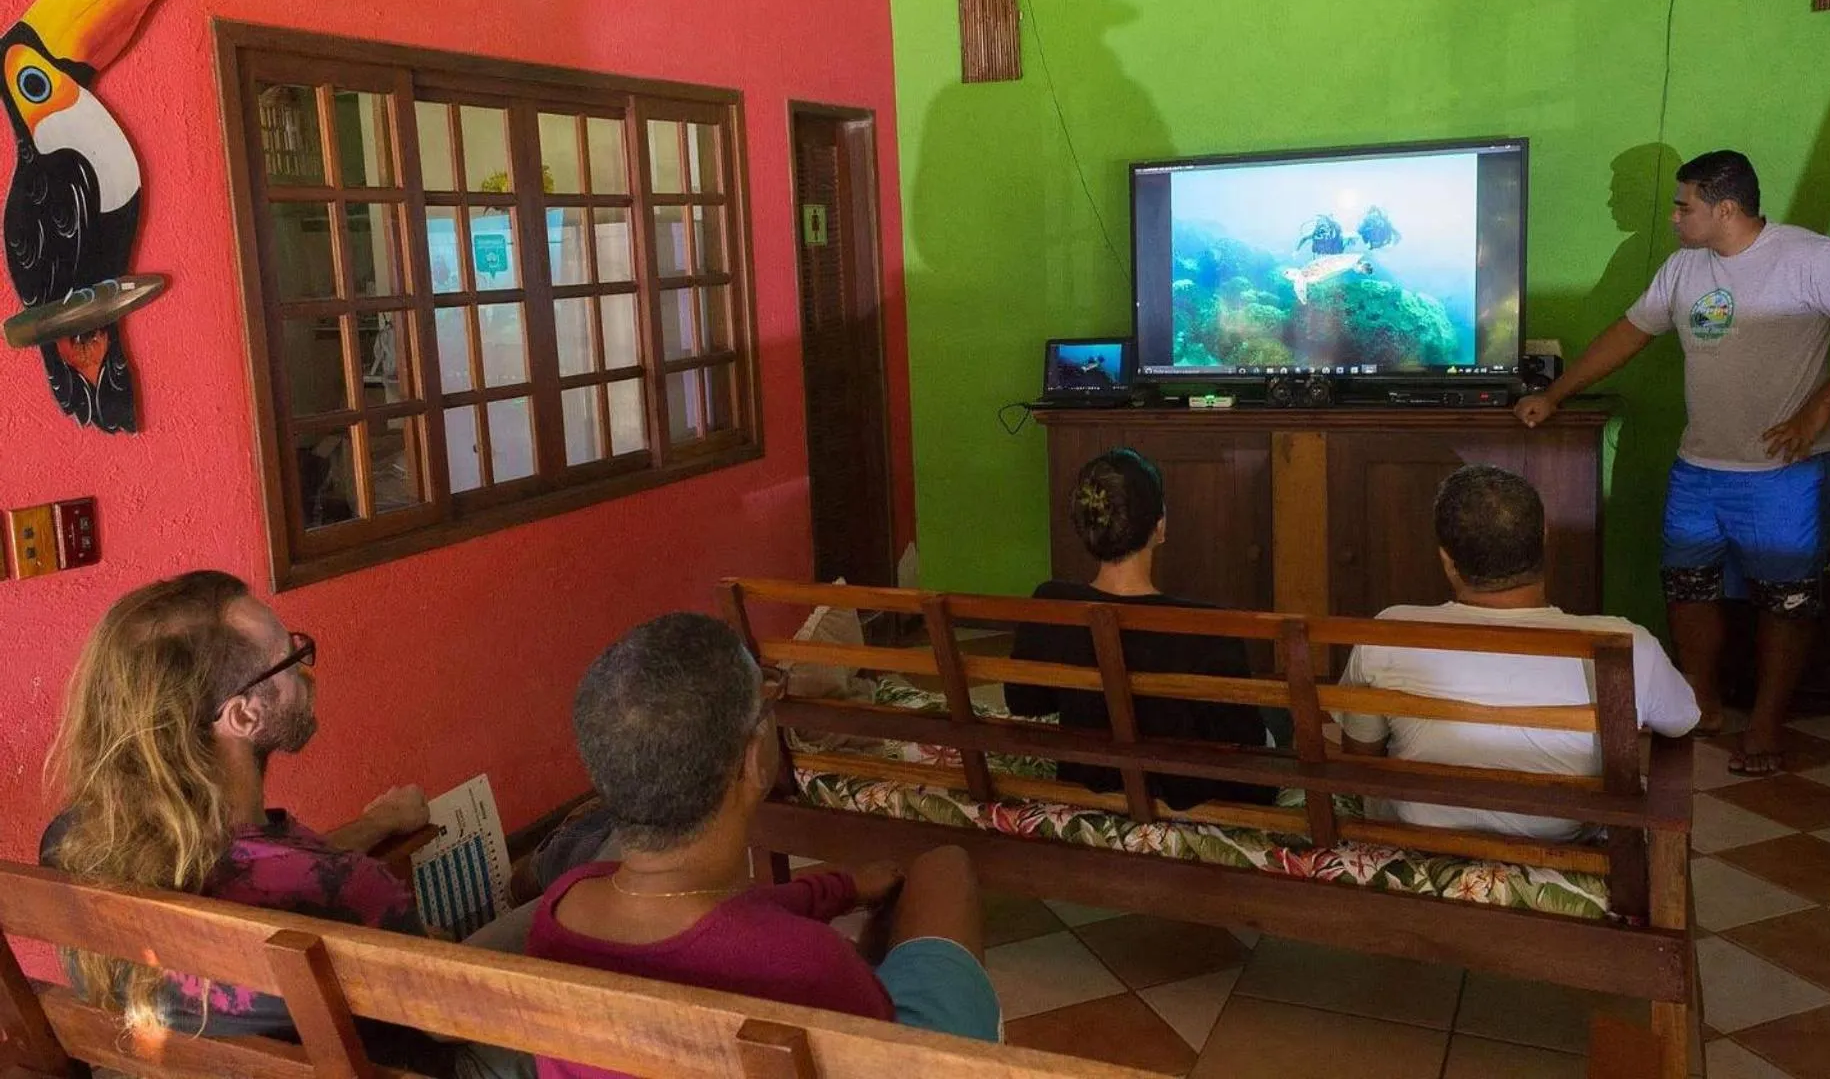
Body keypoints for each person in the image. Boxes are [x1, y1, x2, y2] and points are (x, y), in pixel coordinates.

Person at [1517, 150, 1830, 772]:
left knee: (1786, 598)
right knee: (1687, 587)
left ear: (1725, 208)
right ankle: (1703, 703)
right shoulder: (1683, 268)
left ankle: (1765, 723)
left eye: (1685, 206)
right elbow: (1630, 332)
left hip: (1785, 471)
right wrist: (1554, 394)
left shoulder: (1808, 258)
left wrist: (1821, 408)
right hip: (1699, 466)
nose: (1674, 216)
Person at [39, 571, 504, 1075]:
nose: (306, 669)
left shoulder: (73, 845)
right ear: (241, 717)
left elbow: (258, 871)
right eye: (289, 658)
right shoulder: (355, 893)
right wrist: (428, 943)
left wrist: (375, 824)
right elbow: (446, 1018)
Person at [526, 613, 1000, 1079]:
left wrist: (839, 888)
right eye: (767, 702)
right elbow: (891, 1059)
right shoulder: (809, 963)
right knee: (946, 867)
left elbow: (719, 923)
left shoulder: (563, 906)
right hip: (890, 1054)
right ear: (753, 759)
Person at [1337, 465, 1700, 840]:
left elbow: (1360, 754)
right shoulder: (1626, 641)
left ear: (1447, 560)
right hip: (1562, 837)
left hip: (1420, 833)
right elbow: (1681, 721)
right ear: (1544, 537)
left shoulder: (1389, 630)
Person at [1007, 447, 1283, 811]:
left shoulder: (1050, 602)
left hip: (1086, 783)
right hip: (1188, 800)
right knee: (1281, 717)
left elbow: (1023, 701)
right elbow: (1243, 745)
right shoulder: (1206, 626)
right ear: (1160, 525)